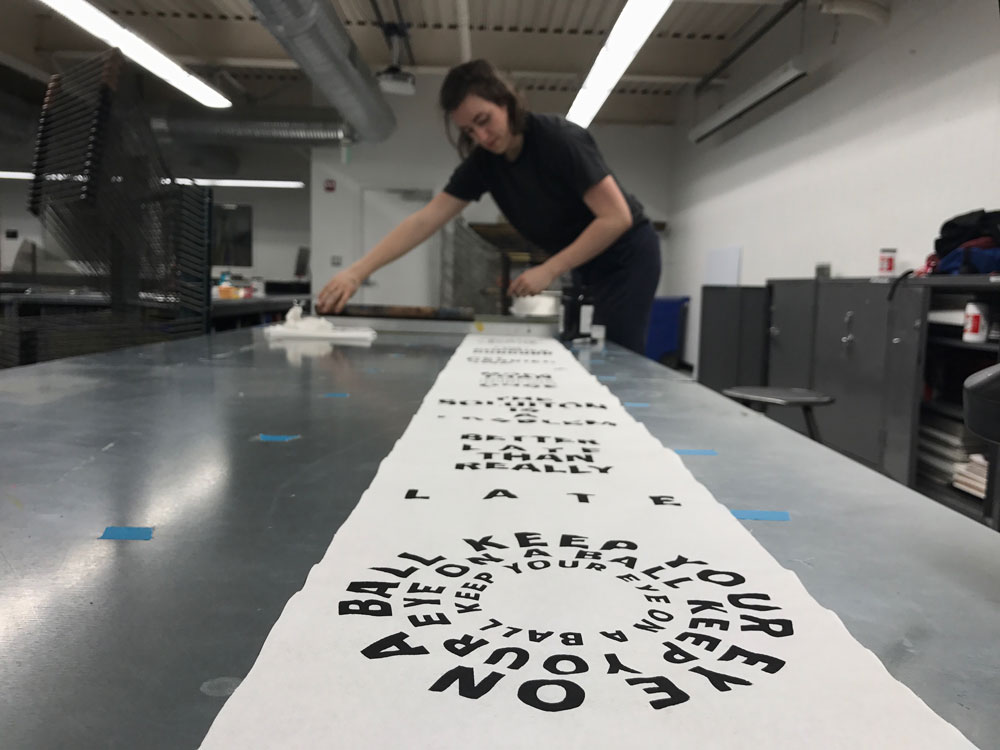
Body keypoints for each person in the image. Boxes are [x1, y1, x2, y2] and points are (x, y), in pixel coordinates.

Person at [316, 59, 661, 354]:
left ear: (507, 102)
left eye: (484, 120)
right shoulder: (486, 164)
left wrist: (549, 269)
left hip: (626, 256)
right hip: (586, 263)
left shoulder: (558, 140)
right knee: (584, 349)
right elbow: (426, 219)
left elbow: (616, 218)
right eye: (469, 130)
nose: (481, 136)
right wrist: (357, 271)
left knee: (614, 353)